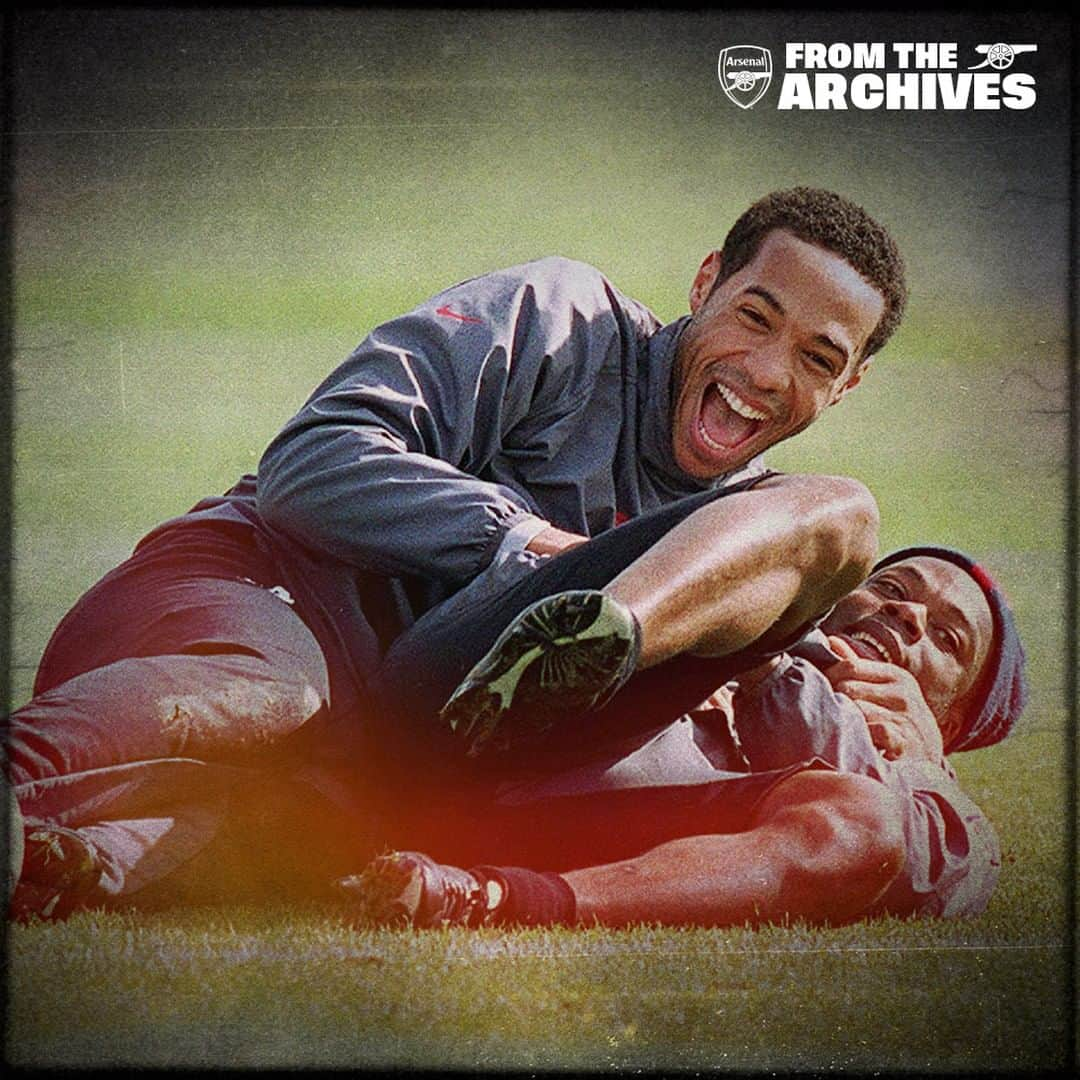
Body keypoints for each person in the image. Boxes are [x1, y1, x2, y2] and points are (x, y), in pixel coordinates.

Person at [5, 188, 908, 918]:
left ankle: (76, 858)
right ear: (705, 280)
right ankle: (23, 774)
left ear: (851, 385)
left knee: (841, 514)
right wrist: (528, 545)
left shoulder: (762, 536)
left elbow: (871, 799)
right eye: (755, 315)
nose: (765, 371)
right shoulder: (563, 318)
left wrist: (913, 751)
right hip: (259, 591)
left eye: (818, 359)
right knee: (287, 697)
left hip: (417, 710)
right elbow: (308, 465)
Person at [343, 547, 1029, 929]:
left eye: (946, 638)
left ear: (951, 721)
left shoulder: (937, 811)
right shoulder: (741, 599)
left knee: (865, 822)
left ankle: (496, 900)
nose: (906, 612)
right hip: (468, 747)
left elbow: (945, 873)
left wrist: (922, 766)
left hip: (586, 829)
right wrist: (769, 642)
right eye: (892, 586)